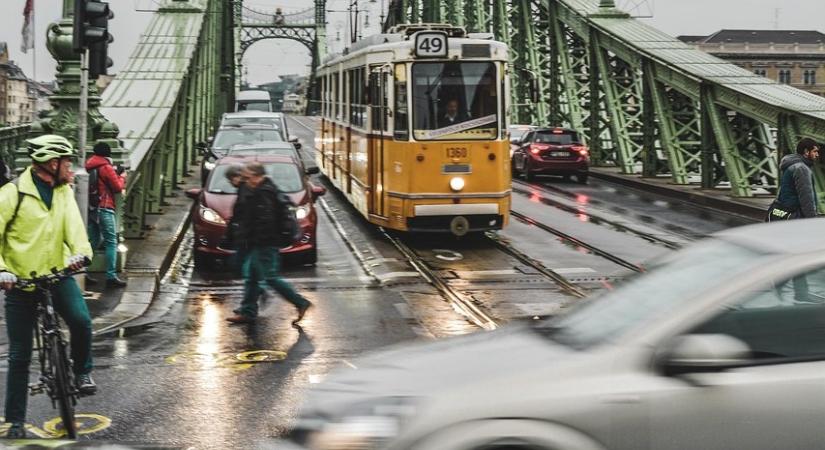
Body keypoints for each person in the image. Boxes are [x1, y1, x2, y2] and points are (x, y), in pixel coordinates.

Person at [0, 135, 95, 439]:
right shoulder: (12, 193)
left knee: (81, 321)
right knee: (19, 356)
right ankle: (15, 421)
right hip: (20, 282)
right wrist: (2, 270)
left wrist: (82, 253)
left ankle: (82, 372)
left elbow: (74, 227)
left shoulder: (64, 192)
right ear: (52, 164)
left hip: (57, 273)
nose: (72, 169)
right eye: (68, 162)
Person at [225, 161, 311, 325]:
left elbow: (264, 221)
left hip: (264, 243)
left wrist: (250, 239)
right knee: (251, 276)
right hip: (257, 242)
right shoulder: (256, 189)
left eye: (248, 177)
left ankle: (300, 302)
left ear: (258, 177)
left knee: (270, 277)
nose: (245, 180)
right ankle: (247, 311)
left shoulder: (265, 193)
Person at [771, 137, 820, 303]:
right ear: (806, 152)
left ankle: (789, 287)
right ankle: (795, 290)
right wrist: (812, 223)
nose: (817, 154)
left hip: (783, 216)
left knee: (794, 256)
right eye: (815, 151)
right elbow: (806, 198)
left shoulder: (790, 165)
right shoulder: (801, 169)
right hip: (794, 218)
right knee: (798, 256)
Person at [86, 142, 127, 288]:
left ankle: (83, 273)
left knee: (93, 241)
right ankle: (111, 276)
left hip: (92, 208)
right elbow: (117, 187)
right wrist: (122, 176)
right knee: (111, 242)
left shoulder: (89, 165)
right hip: (105, 207)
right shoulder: (106, 167)